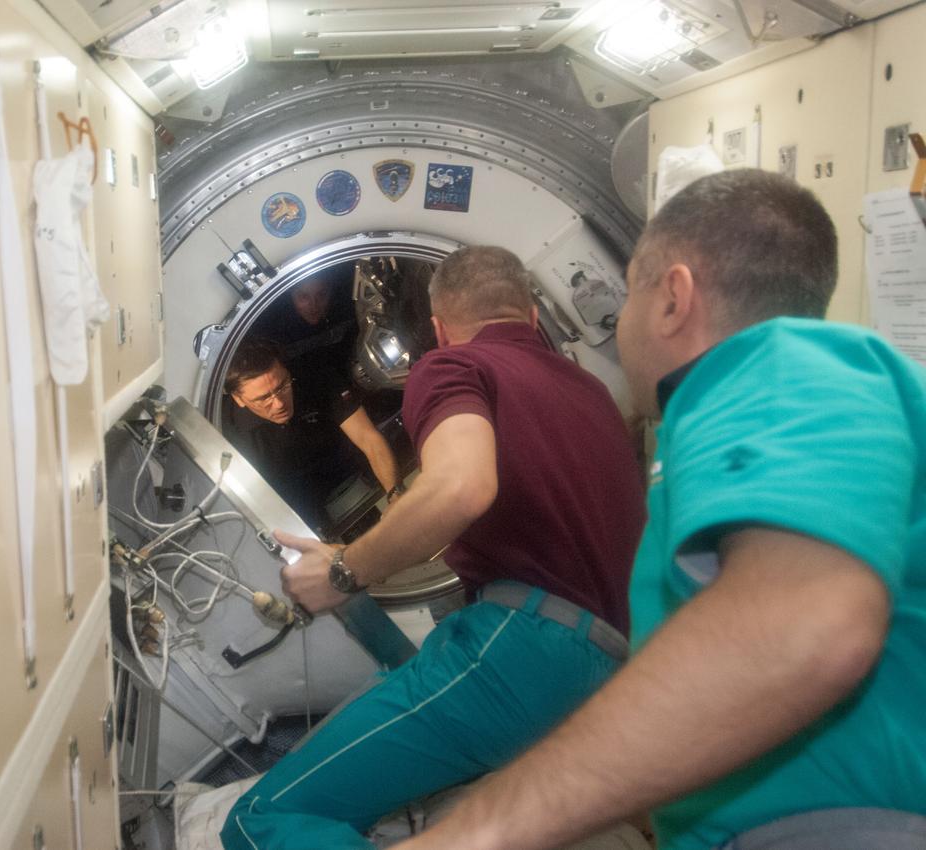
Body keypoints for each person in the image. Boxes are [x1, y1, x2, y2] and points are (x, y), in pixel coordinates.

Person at [395, 169, 926, 850]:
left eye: (629, 302)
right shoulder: (751, 418)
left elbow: (803, 629)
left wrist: (473, 834)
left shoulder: (780, 368)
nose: (620, 333)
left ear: (673, 297)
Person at [220, 246, 647, 850]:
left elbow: (461, 485)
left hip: (523, 649)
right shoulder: (589, 389)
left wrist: (342, 571)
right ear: (531, 314)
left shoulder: (451, 369)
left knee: (256, 823)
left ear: (440, 328)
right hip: (612, 658)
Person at [225, 337, 400, 531]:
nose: (279, 403)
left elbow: (368, 438)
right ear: (238, 399)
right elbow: (259, 506)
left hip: (345, 466)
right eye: (263, 398)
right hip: (294, 499)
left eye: (282, 386)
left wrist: (396, 494)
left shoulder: (315, 376)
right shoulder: (233, 440)